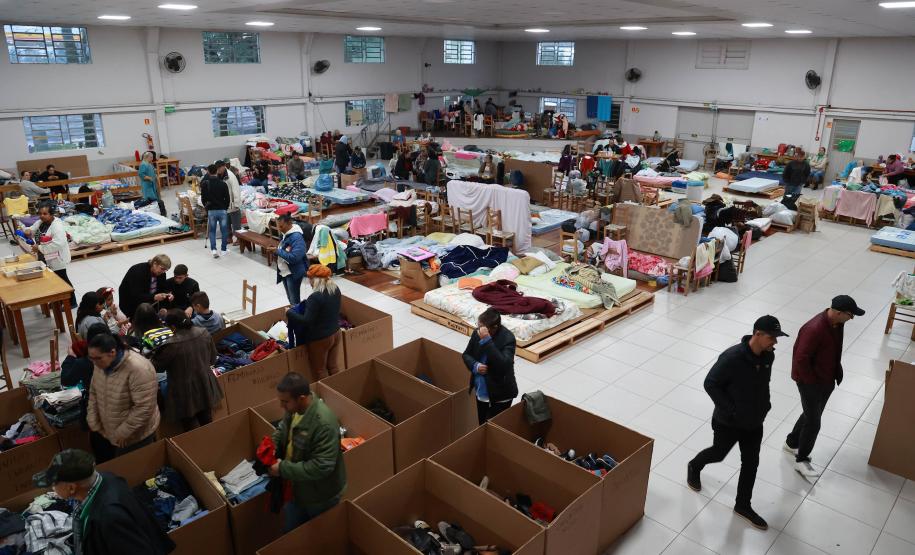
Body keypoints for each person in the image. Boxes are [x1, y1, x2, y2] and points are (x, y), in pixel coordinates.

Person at [687, 315, 787, 531]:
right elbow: (710, 383)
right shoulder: (732, 358)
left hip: (754, 421)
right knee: (719, 453)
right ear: (757, 334)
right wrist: (731, 410)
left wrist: (765, 405)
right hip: (728, 422)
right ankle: (694, 466)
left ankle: (743, 505)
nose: (775, 342)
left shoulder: (768, 357)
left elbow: (764, 383)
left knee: (751, 463)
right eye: (772, 337)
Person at [32, 449, 176, 554]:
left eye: (53, 484)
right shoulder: (106, 478)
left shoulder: (109, 516)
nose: (52, 487)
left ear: (71, 488)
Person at [784, 295, 863, 478]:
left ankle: (791, 442)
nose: (851, 319)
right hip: (810, 382)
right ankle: (801, 460)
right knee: (814, 422)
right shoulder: (814, 329)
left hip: (826, 379)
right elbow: (801, 359)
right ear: (837, 312)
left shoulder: (837, 323)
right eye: (850, 315)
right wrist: (811, 383)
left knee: (812, 412)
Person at [269, 372, 346, 532]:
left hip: (320, 496)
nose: (281, 406)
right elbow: (284, 428)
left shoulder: (323, 424)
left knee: (321, 538)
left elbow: (321, 466)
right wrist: (272, 445)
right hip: (296, 488)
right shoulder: (294, 409)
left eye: (285, 402)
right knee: (292, 532)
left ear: (302, 398)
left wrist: (282, 469)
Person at [86, 332, 160, 462]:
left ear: (112, 352)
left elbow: (144, 408)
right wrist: (92, 418)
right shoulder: (100, 364)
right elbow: (93, 392)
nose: (94, 362)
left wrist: (122, 433)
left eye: (97, 358)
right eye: (91, 358)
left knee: (130, 473)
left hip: (134, 436)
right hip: (108, 432)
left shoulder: (139, 368)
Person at [153, 309, 223, 431]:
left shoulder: (171, 345)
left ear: (173, 327)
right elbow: (212, 359)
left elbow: (156, 367)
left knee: (190, 428)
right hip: (205, 384)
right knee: (207, 421)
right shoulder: (203, 332)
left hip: (183, 392)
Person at [61, 323, 113, 457]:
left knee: (103, 449)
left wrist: (70, 357)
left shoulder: (84, 363)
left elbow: (66, 380)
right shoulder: (119, 354)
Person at [462, 308, 519, 425]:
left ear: (494, 328)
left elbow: (503, 365)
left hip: (501, 392)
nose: (479, 330)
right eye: (478, 326)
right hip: (481, 389)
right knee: (482, 424)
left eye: (482, 327)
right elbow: (466, 354)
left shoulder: (508, 338)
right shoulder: (477, 333)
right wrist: (475, 365)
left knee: (494, 427)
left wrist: (487, 341)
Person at [286, 265, 342, 379]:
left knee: (320, 370)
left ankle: (325, 396)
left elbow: (307, 321)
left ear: (315, 280)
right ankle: (339, 390)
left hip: (321, 339)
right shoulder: (335, 289)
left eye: (310, 279)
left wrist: (289, 313)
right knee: (333, 367)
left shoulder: (315, 297)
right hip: (336, 333)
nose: (309, 282)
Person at [26, 201, 76, 306]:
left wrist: (39, 247)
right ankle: (58, 301)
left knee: (62, 279)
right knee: (52, 281)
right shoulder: (41, 222)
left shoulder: (57, 226)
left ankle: (72, 302)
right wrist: (28, 231)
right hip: (45, 256)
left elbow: (58, 243)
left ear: (51, 214)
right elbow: (33, 229)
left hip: (57, 257)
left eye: (45, 214)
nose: (42, 216)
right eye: (40, 214)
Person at [118, 254, 172, 321]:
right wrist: (154, 297)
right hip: (131, 304)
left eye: (165, 270)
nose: (163, 272)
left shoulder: (161, 274)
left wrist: (167, 294)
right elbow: (135, 295)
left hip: (149, 302)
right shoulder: (137, 272)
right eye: (162, 269)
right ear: (154, 264)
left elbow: (162, 288)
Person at [275, 214, 309, 305]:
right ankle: (294, 315)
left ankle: (297, 317)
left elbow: (295, 257)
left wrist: (277, 251)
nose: (279, 229)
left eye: (281, 226)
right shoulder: (285, 234)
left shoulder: (297, 238)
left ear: (289, 223)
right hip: (285, 271)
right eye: (278, 226)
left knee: (294, 301)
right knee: (291, 299)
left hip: (293, 272)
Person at [200, 163, 230, 258]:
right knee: (224, 231)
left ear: (208, 172)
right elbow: (227, 198)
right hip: (222, 210)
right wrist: (225, 207)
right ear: (217, 171)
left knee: (212, 231)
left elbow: (203, 198)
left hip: (211, 211)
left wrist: (207, 207)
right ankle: (224, 249)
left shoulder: (205, 184)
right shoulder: (223, 184)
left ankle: (213, 249)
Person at [219, 161, 243, 246]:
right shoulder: (219, 175)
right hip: (224, 204)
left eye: (219, 168)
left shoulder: (230, 176)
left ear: (223, 167)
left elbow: (236, 190)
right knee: (226, 222)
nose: (218, 170)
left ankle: (239, 239)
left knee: (236, 224)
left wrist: (236, 203)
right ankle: (229, 237)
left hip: (233, 204)